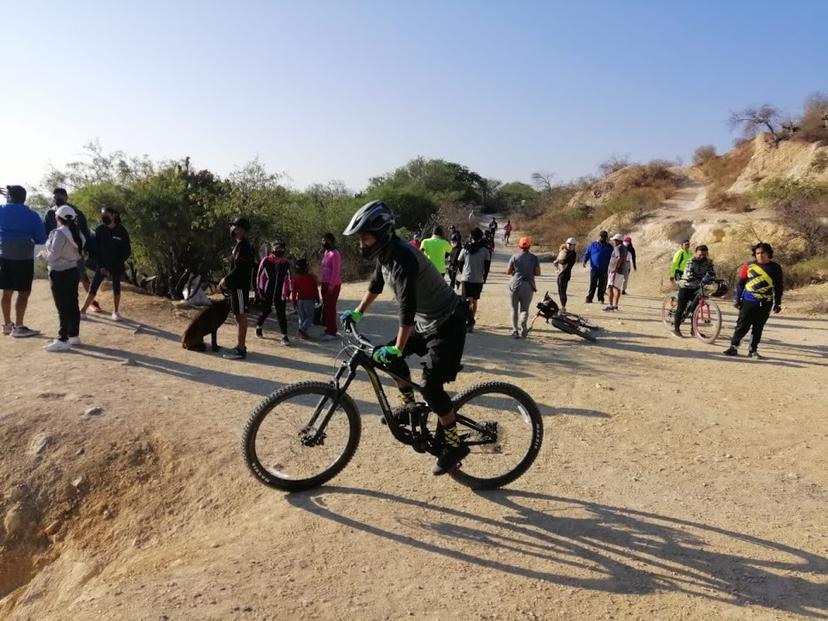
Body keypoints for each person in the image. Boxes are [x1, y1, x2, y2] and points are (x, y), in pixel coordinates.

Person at [340, 200, 470, 475]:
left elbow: (406, 309)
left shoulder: (402, 258)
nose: (361, 243)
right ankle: (410, 408)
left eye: (365, 236)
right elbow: (375, 286)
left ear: (382, 232)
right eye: (360, 238)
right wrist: (357, 313)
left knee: (432, 387)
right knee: (385, 359)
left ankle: (454, 444)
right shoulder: (384, 256)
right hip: (427, 324)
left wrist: (399, 348)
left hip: (448, 322)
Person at [0, 185, 47, 337]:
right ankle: (19, 326)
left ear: (10, 197)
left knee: (7, 291)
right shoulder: (32, 215)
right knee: (23, 292)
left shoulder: (1, 210)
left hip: (4, 255)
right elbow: (41, 239)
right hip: (23, 257)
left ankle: (7, 325)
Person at [724, 243, 783, 359]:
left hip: (766, 302)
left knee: (758, 327)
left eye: (762, 253)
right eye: (757, 253)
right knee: (742, 325)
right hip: (749, 301)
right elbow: (741, 283)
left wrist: (777, 303)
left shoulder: (776, 268)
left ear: (769, 254)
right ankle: (733, 347)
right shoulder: (748, 266)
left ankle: (753, 350)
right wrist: (737, 299)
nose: (760, 255)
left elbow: (778, 287)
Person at [40, 205, 85, 352]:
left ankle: (62, 338)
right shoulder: (77, 232)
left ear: (58, 218)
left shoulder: (59, 233)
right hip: (73, 270)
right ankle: (74, 335)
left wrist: (43, 255)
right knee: (72, 303)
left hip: (59, 272)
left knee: (62, 306)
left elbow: (53, 255)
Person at [44, 188, 98, 309]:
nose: (57, 199)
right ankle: (63, 305)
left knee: (82, 275)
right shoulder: (50, 213)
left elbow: (84, 230)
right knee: (57, 279)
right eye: (55, 197)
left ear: (66, 197)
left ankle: (92, 302)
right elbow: (47, 231)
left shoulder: (75, 211)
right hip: (56, 250)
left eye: (59, 196)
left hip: (74, 249)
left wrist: (85, 247)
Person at [80, 207, 131, 321]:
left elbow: (127, 251)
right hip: (102, 265)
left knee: (116, 288)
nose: (104, 216)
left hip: (116, 265)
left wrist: (115, 264)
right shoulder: (100, 229)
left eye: (106, 214)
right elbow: (96, 250)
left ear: (114, 215)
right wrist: (102, 265)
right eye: (103, 214)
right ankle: (83, 311)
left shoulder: (121, 231)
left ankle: (116, 312)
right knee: (93, 287)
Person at [219, 217, 255, 360]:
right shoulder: (239, 245)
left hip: (240, 286)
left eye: (235, 227)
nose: (233, 229)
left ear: (241, 229)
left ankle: (241, 349)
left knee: (241, 316)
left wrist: (226, 280)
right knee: (238, 315)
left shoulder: (244, 246)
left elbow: (239, 269)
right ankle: (240, 345)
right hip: (237, 286)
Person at [672, 244, 715, 337]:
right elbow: (689, 274)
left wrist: (712, 278)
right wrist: (701, 279)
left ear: (707, 254)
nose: (702, 257)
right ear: (695, 253)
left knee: (696, 309)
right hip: (686, 286)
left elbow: (712, 273)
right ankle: (676, 329)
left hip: (697, 287)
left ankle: (693, 331)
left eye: (704, 255)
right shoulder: (690, 261)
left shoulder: (709, 262)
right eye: (700, 255)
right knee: (681, 307)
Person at [255, 239, 292, 345]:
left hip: (280, 292)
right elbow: (260, 276)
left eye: (280, 248)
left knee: (281, 313)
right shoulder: (266, 261)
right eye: (276, 248)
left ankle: (284, 336)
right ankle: (259, 326)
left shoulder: (285, 263)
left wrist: (288, 291)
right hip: (267, 291)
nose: (278, 250)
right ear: (272, 249)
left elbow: (288, 278)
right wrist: (260, 291)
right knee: (266, 310)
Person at [457, 227, 490, 333]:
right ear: (481, 237)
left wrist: (463, 271)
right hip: (478, 279)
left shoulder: (466, 248)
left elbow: (459, 261)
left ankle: (469, 320)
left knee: (467, 300)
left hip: (466, 278)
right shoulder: (485, 250)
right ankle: (471, 320)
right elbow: (487, 266)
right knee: (474, 300)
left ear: (472, 236)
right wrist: (484, 278)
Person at [506, 237, 540, 338]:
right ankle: (523, 323)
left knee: (514, 308)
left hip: (514, 283)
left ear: (519, 246)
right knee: (524, 309)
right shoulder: (534, 258)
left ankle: (515, 330)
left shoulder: (514, 257)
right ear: (529, 246)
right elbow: (538, 273)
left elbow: (508, 271)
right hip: (528, 285)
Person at [320, 232, 342, 340]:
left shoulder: (335, 254)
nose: (323, 242)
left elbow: (335, 272)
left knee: (330, 307)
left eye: (325, 240)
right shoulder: (326, 252)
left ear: (331, 241)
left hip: (332, 284)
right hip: (324, 283)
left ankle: (332, 331)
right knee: (326, 307)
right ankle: (328, 328)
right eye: (322, 240)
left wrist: (331, 286)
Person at [291, 258, 319, 339]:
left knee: (301, 317)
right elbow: (315, 289)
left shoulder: (296, 279)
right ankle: (302, 330)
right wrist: (317, 298)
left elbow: (294, 291)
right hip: (309, 300)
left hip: (300, 300)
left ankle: (302, 333)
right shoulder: (311, 278)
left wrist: (294, 301)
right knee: (309, 317)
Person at [582, 230, 612, 304]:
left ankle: (600, 298)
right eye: (601, 236)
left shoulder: (609, 247)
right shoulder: (593, 245)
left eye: (604, 237)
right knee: (593, 284)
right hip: (594, 269)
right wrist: (584, 261)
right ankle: (589, 298)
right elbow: (587, 253)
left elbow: (613, 257)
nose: (602, 238)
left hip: (604, 269)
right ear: (599, 236)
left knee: (602, 285)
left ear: (606, 237)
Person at [604, 234, 628, 311]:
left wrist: (615, 268)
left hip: (615, 271)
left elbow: (619, 258)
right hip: (621, 271)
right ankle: (615, 305)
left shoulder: (617, 247)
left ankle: (611, 305)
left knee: (610, 287)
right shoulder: (624, 247)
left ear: (618, 241)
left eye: (614, 240)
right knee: (617, 288)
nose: (613, 242)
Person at [554, 237, 577, 311]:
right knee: (560, 290)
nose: (570, 246)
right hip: (560, 273)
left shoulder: (572, 254)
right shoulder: (564, 251)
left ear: (574, 246)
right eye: (569, 244)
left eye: (572, 245)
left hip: (565, 274)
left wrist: (557, 261)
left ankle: (563, 307)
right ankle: (563, 306)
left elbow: (564, 261)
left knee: (562, 290)